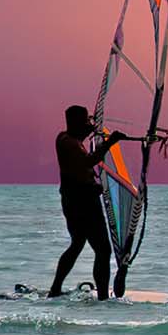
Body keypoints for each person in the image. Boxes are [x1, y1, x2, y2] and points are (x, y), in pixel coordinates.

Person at [51, 105, 128, 299]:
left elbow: (81, 161)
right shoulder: (69, 143)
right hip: (82, 204)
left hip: (74, 202)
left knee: (77, 243)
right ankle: (103, 296)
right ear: (75, 122)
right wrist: (110, 142)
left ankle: (55, 289)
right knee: (103, 249)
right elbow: (89, 161)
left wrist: (88, 131)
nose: (88, 124)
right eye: (85, 120)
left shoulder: (67, 139)